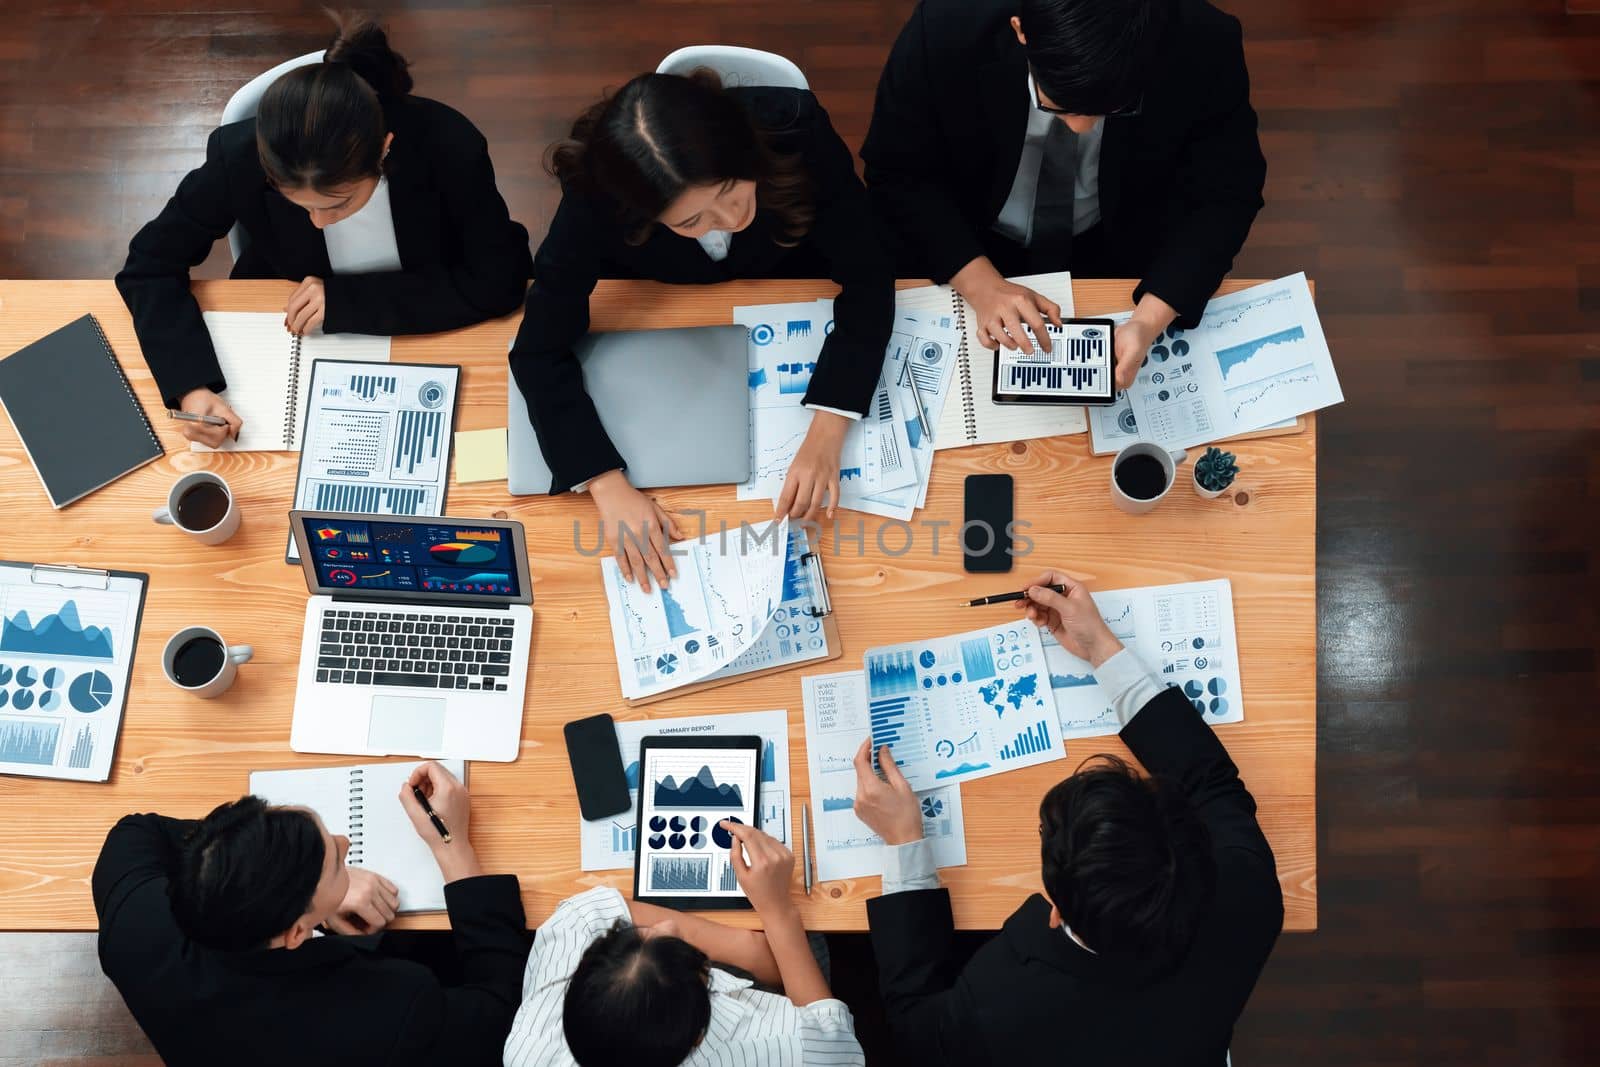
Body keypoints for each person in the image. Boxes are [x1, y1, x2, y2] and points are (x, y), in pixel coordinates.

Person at [850, 568, 1283, 1065]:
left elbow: (915, 1026)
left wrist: (904, 841)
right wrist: (1099, 645)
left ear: (1055, 910)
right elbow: (1212, 785)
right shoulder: (1250, 897)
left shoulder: (1004, 1002)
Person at [509, 71, 893, 589]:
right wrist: (603, 482)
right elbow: (536, 350)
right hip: (674, 308)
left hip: (784, 276)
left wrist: (829, 429)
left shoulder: (795, 132)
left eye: (732, 189)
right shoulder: (597, 194)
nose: (730, 219)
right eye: (691, 221)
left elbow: (869, 278)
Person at [116, 14, 532, 447]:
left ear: (385, 150)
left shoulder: (448, 146)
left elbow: (500, 278)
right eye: (298, 203)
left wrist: (349, 302)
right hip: (288, 337)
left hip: (429, 325)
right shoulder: (239, 157)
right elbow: (149, 265)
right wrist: (190, 384)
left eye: (339, 204)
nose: (317, 221)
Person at [862, 0, 1267, 388]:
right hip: (963, 235)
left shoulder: (1203, 38)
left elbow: (1227, 195)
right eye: (1057, 105)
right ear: (1021, 31)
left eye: (1112, 108)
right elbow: (896, 171)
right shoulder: (948, 24)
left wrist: (1148, 319)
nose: (1081, 128)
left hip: (1119, 241)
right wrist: (980, 284)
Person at [93, 762, 529, 1066]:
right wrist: (453, 846)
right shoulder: (390, 1011)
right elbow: (502, 1018)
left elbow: (134, 831)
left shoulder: (134, 928)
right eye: (336, 864)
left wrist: (295, 887)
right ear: (295, 934)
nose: (344, 842)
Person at [502, 820, 864, 1066]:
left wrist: (747, 948)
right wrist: (779, 912)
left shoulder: (529, 1048)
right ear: (699, 1035)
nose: (668, 926)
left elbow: (582, 913)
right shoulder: (782, 1045)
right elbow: (836, 1042)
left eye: (636, 935)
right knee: (815, 937)